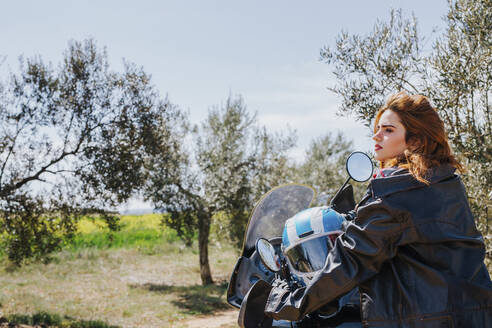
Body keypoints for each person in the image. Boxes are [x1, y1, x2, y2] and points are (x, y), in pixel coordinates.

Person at [264, 92, 492, 327]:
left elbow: (350, 260)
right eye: (378, 128)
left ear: (414, 140)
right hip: (474, 313)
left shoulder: (397, 192)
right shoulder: (447, 183)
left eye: (388, 130)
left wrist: (289, 302)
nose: (377, 135)